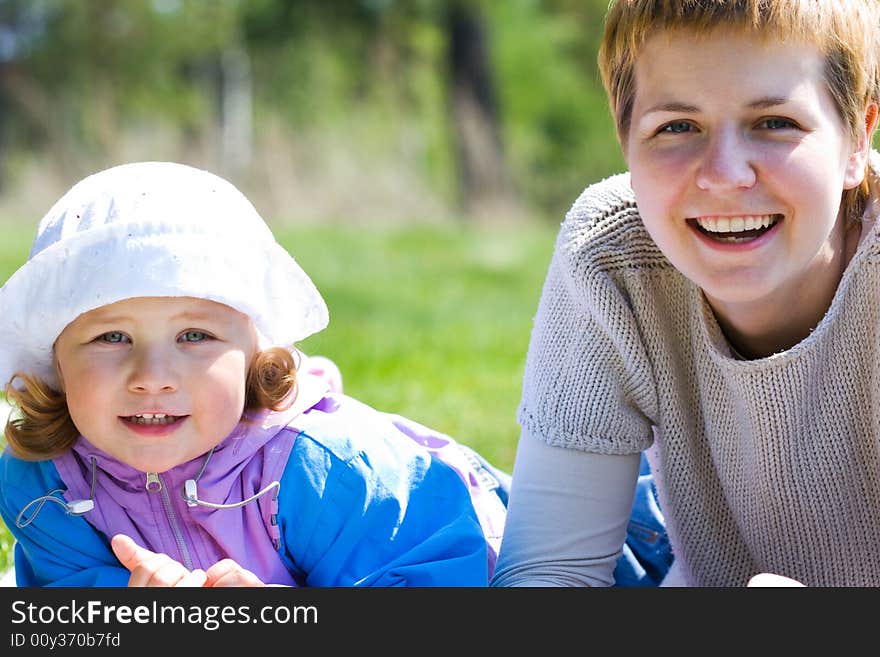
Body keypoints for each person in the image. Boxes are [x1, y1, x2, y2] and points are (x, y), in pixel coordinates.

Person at [490, 0, 880, 587]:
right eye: (677, 127)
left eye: (775, 123)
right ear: (624, 144)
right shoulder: (610, 256)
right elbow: (551, 570)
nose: (725, 175)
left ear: (856, 142)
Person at [0, 160, 509, 587]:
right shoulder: (46, 488)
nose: (152, 377)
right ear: (54, 360)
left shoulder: (325, 468)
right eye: (112, 337)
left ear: (254, 353)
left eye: (194, 336)